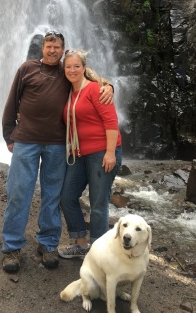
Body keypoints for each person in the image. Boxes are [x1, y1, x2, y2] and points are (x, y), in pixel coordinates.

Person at [1, 31, 113, 273]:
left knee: (52, 196)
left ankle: (48, 244)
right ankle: (12, 247)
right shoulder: (26, 68)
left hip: (57, 144)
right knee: (19, 192)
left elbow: (93, 81)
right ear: (42, 48)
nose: (53, 50)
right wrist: (9, 135)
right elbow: (11, 102)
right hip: (26, 140)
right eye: (49, 46)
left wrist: (109, 86)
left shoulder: (67, 71)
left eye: (57, 47)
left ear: (63, 49)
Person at [58, 49, 122, 259]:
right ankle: (81, 244)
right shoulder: (68, 92)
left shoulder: (96, 90)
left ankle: (98, 253)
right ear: (64, 69)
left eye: (77, 66)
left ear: (84, 68)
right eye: (68, 66)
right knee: (67, 196)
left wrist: (110, 153)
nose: (72, 70)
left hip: (101, 153)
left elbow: (111, 121)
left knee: (98, 202)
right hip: (79, 154)